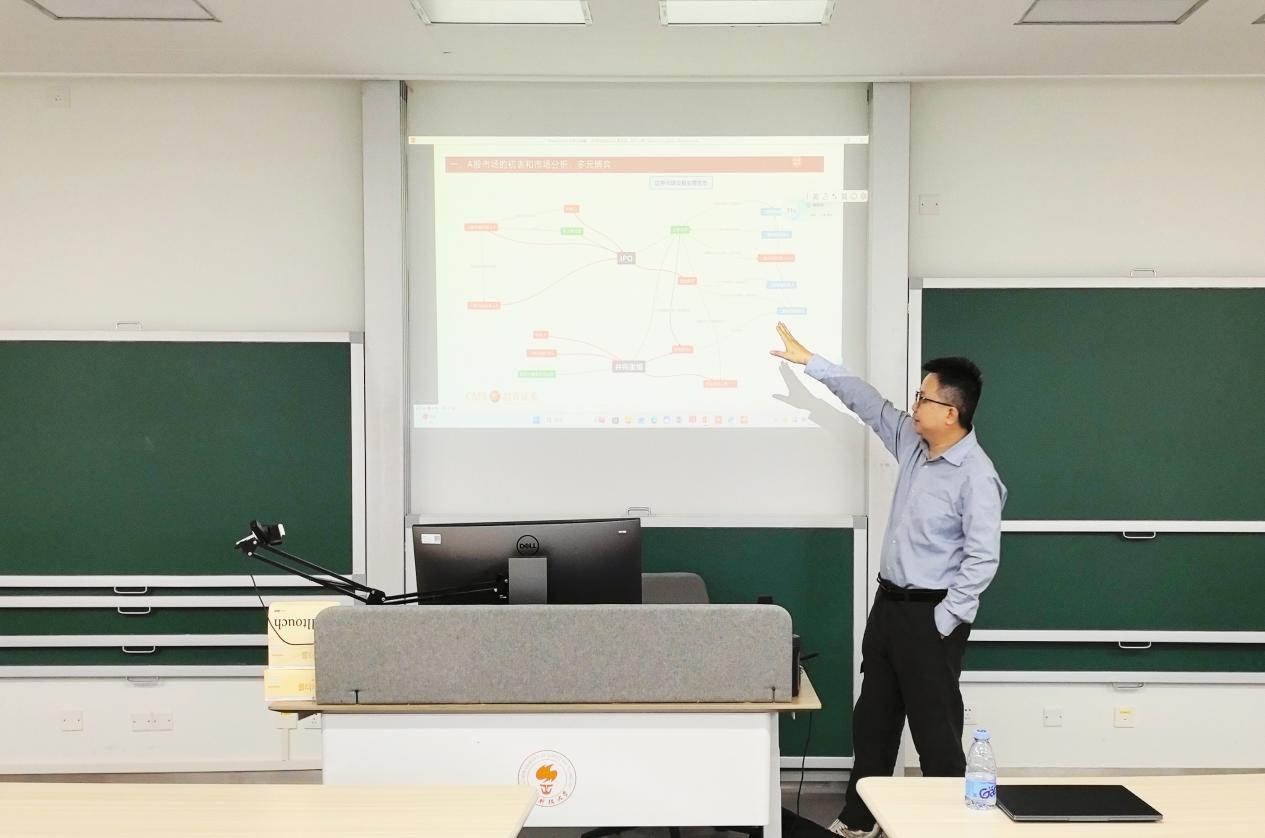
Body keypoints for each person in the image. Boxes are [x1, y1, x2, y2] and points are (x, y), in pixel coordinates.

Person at [770, 321, 1007, 838]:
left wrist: (943, 620)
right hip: (888, 609)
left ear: (951, 412)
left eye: (923, 398)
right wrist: (811, 362)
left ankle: (950, 827)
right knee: (873, 722)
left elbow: (982, 559)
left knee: (935, 733)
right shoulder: (914, 444)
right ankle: (861, 820)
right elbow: (867, 401)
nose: (913, 405)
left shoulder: (976, 475)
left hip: (932, 617)